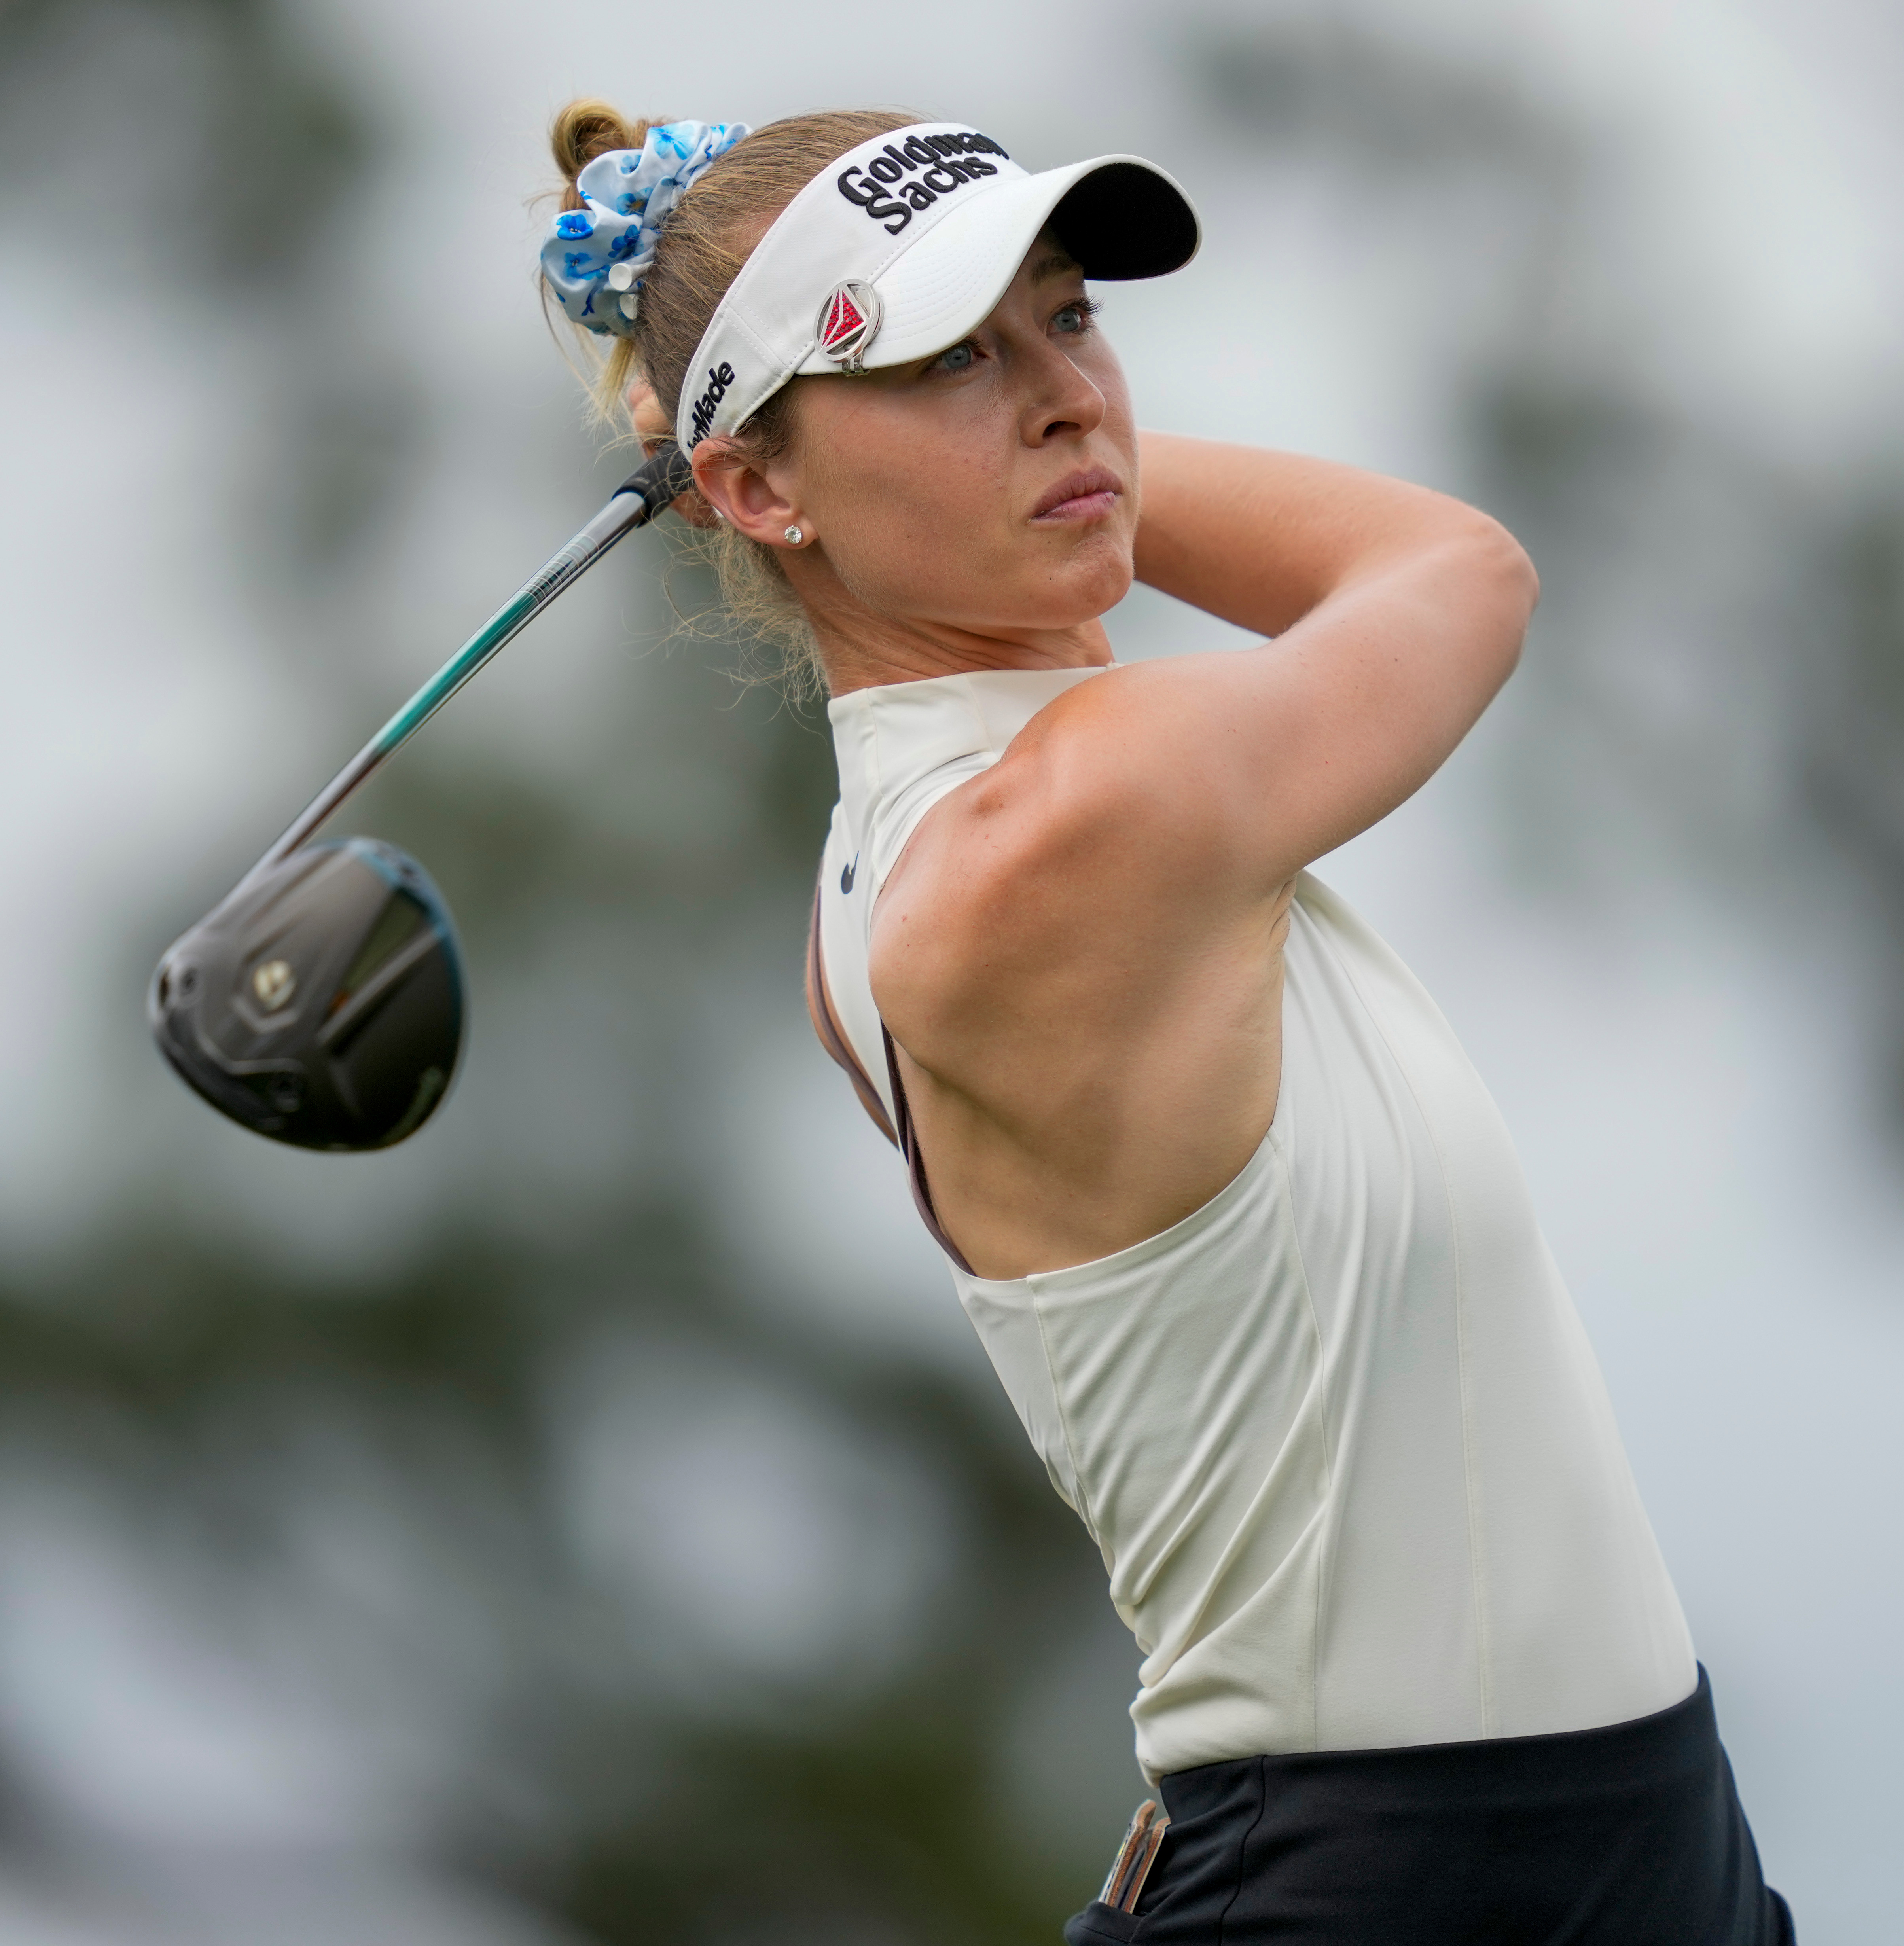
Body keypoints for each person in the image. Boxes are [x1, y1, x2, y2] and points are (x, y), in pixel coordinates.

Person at [542, 102, 1795, 1945]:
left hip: (1611, 1857)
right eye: (952, 355)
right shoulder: (1068, 824)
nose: (1063, 395)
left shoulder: (906, 861)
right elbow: (1461, 574)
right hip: (1391, 1894)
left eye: (1072, 323)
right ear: (747, 492)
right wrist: (1075, 465)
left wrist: (1008, 450)